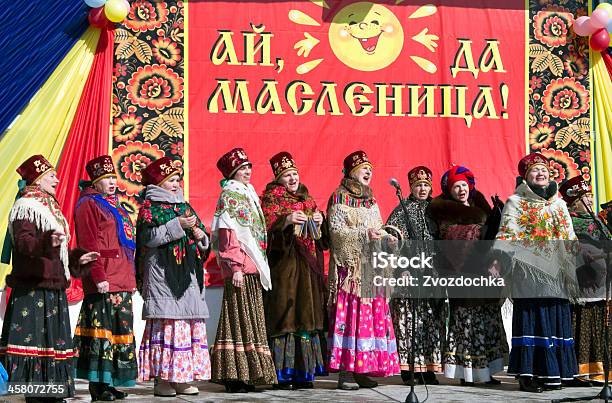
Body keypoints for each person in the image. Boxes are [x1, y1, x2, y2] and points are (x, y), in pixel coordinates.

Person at [0, 155, 99, 403]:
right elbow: (23, 243)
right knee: (36, 345)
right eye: (51, 175)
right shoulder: (26, 206)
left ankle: (52, 394)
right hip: (34, 288)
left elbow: (60, 253)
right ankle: (37, 397)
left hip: (52, 288)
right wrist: (47, 242)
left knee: (51, 346)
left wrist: (78, 261)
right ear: (38, 178)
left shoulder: (48, 206)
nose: (57, 178)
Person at [492, 152, 581, 392]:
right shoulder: (516, 201)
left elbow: (569, 235)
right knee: (534, 320)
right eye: (535, 170)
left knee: (556, 318)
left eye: (544, 169)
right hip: (529, 271)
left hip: (558, 271)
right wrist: (499, 261)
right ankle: (528, 375)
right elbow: (506, 235)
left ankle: (558, 372)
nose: (541, 173)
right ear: (525, 176)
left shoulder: (559, 203)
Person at [136, 157, 211, 397]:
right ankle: (162, 380)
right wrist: (177, 225)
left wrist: (201, 236)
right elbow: (149, 239)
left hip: (188, 275)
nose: (177, 185)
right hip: (162, 275)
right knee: (167, 325)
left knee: (186, 326)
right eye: (171, 180)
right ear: (159, 184)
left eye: (178, 180)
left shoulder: (185, 206)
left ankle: (182, 378)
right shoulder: (150, 208)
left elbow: (202, 242)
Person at [427, 165, 507, 386]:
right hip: (460, 273)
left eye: (464, 185)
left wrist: (497, 218)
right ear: (449, 190)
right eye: (456, 186)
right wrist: (479, 231)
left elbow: (494, 239)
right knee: (466, 323)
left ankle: (488, 371)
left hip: (484, 272)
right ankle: (467, 374)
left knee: (486, 320)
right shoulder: (443, 210)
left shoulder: (480, 204)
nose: (461, 190)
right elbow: (448, 238)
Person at [326, 150, 400, 390]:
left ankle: (363, 368)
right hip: (351, 271)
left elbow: (378, 227)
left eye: (370, 168)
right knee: (351, 319)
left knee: (369, 320)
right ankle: (346, 373)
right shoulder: (338, 197)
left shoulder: (371, 200)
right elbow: (336, 234)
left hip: (371, 269)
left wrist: (387, 238)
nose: (369, 171)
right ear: (350, 171)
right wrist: (363, 234)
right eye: (363, 168)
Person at [260, 152, 328, 390]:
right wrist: (286, 220)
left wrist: (321, 222)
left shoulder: (307, 200)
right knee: (285, 317)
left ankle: (304, 373)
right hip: (284, 268)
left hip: (308, 270)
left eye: (294, 174)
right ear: (278, 178)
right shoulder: (271, 200)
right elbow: (265, 232)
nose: (292, 179)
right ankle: (282, 374)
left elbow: (323, 241)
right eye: (287, 175)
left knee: (305, 318)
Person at [210, 148, 277, 392]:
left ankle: (248, 373)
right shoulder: (230, 195)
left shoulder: (248, 194)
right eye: (242, 168)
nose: (247, 171)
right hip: (240, 268)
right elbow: (229, 235)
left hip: (251, 268)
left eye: (249, 167)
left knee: (251, 319)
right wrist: (235, 266)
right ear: (233, 173)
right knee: (237, 319)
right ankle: (233, 375)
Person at [73, 155, 138, 401]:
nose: (112, 182)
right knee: (102, 332)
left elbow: (125, 245)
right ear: (95, 181)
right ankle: (97, 385)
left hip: (121, 277)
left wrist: (131, 278)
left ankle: (110, 382)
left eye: (113, 177)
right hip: (104, 278)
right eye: (106, 178)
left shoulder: (114, 204)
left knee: (119, 331)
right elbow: (88, 244)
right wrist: (98, 275)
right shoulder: (88, 204)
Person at [386, 166, 444, 385]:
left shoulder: (436, 209)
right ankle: (409, 369)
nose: (422, 189)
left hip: (432, 274)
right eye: (418, 185)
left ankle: (428, 368)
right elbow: (390, 238)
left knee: (430, 321)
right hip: (408, 273)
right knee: (408, 320)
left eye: (426, 185)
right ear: (410, 186)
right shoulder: (402, 209)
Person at [560, 176, 611, 385]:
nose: (590, 201)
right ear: (574, 201)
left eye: (590, 197)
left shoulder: (597, 221)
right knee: (581, 322)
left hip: (601, 280)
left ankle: (600, 371)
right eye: (585, 198)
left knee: (599, 323)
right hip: (582, 278)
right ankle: (580, 370)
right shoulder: (569, 221)